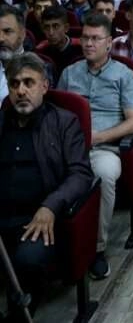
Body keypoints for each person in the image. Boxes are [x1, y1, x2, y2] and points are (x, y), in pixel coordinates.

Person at [0, 53, 93, 319]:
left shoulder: (64, 122)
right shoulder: (1, 122)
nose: (21, 91)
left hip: (39, 220)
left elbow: (80, 174)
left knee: (27, 261)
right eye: (14, 84)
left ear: (44, 86)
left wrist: (51, 206)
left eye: (28, 82)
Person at [58, 13, 133, 280]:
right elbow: (56, 116)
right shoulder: (69, 73)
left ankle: (96, 249)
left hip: (104, 148)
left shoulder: (123, 75)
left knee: (104, 176)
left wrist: (98, 138)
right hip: (68, 146)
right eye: (85, 38)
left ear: (108, 43)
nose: (88, 44)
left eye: (95, 38)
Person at [37, 6, 82, 83]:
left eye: (56, 26)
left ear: (66, 28)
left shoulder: (80, 50)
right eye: (46, 27)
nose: (51, 32)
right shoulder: (41, 52)